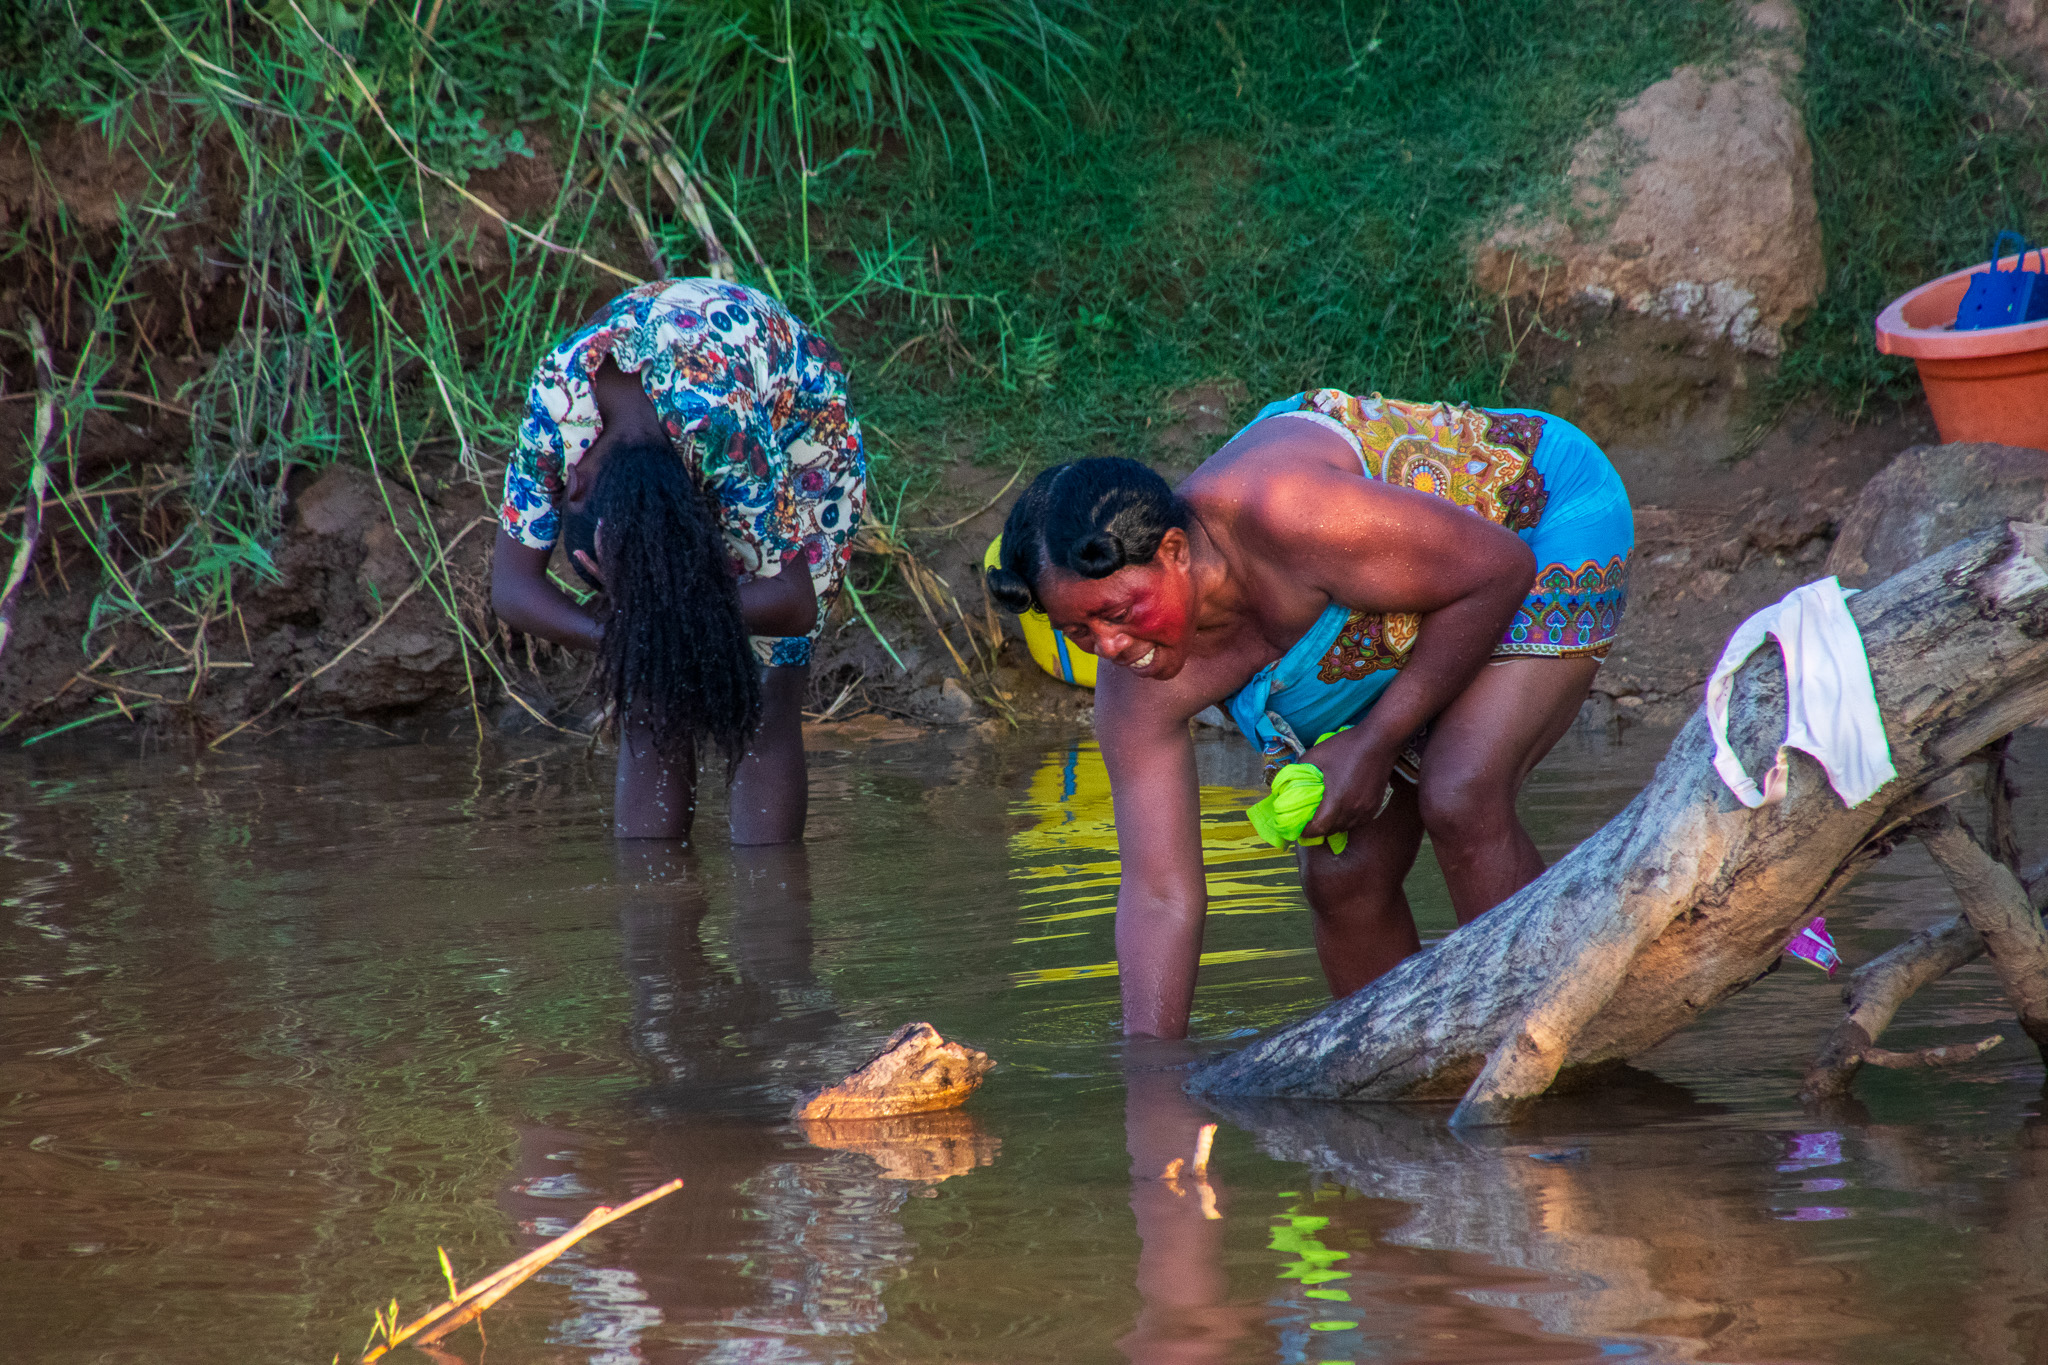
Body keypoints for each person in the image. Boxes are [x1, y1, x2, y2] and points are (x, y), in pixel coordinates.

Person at [986, 389, 1633, 1038]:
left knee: (1460, 790)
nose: (1110, 648)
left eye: (1120, 615)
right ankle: (1400, 1082)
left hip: (1537, 516)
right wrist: (1153, 1084)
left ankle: (1554, 1039)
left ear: (1176, 552)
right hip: (1417, 612)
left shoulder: (1287, 514)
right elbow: (1158, 895)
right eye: (1080, 633)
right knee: (1341, 874)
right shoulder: (1133, 689)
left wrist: (1375, 743)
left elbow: (1499, 567)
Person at [491, 278, 865, 843]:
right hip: (701, 405)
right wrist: (631, 633)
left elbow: (792, 604)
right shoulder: (556, 404)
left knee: (767, 698)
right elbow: (512, 588)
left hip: (795, 430)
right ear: (573, 486)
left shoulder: (721, 431)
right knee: (650, 701)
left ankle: (771, 920)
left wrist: (662, 618)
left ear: (578, 488)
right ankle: (655, 913)